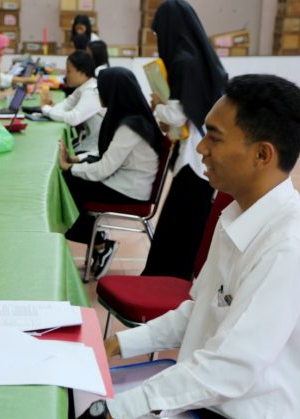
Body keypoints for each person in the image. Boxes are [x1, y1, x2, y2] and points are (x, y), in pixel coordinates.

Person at [71, 74, 300, 419]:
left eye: (214, 137)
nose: (200, 148)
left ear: (262, 154)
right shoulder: (237, 215)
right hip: (207, 415)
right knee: (74, 417)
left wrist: (106, 416)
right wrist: (116, 346)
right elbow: (199, 309)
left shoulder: (290, 247)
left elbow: (227, 370)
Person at [141, 0, 228, 280]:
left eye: (157, 34)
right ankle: (168, 279)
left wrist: (157, 105)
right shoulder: (199, 58)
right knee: (184, 225)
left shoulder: (184, 61)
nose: (157, 41)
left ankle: (164, 284)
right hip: (198, 155)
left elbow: (179, 113)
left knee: (179, 227)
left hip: (194, 158)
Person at [58, 67, 163, 279]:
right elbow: (106, 153)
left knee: (63, 193)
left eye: (101, 90)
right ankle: (98, 242)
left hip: (129, 190)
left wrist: (70, 168)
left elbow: (103, 168)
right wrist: (75, 159)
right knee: (69, 185)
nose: (98, 95)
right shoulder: (128, 117)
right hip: (123, 182)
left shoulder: (130, 127)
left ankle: (100, 243)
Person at [41, 50, 103, 154]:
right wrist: (50, 110)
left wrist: (46, 109)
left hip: (97, 149)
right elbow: (65, 105)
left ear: (82, 72)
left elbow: (74, 118)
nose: (66, 75)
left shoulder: (92, 90)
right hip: (90, 143)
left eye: (69, 71)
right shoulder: (83, 88)